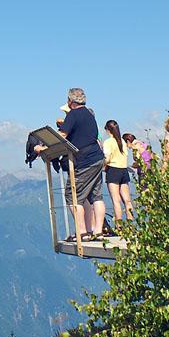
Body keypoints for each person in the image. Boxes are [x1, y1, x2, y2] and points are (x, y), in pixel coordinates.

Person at [36, 87, 107, 240]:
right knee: (97, 196)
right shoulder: (89, 113)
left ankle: (82, 232)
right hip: (97, 157)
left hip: (84, 161)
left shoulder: (73, 114)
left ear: (70, 101)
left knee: (72, 196)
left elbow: (62, 136)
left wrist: (43, 148)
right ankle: (98, 231)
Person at [103, 119, 133, 226]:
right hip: (123, 170)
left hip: (113, 170)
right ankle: (130, 223)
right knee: (127, 200)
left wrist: (103, 166)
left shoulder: (108, 142)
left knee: (116, 201)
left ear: (108, 130)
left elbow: (107, 157)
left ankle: (119, 226)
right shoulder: (122, 142)